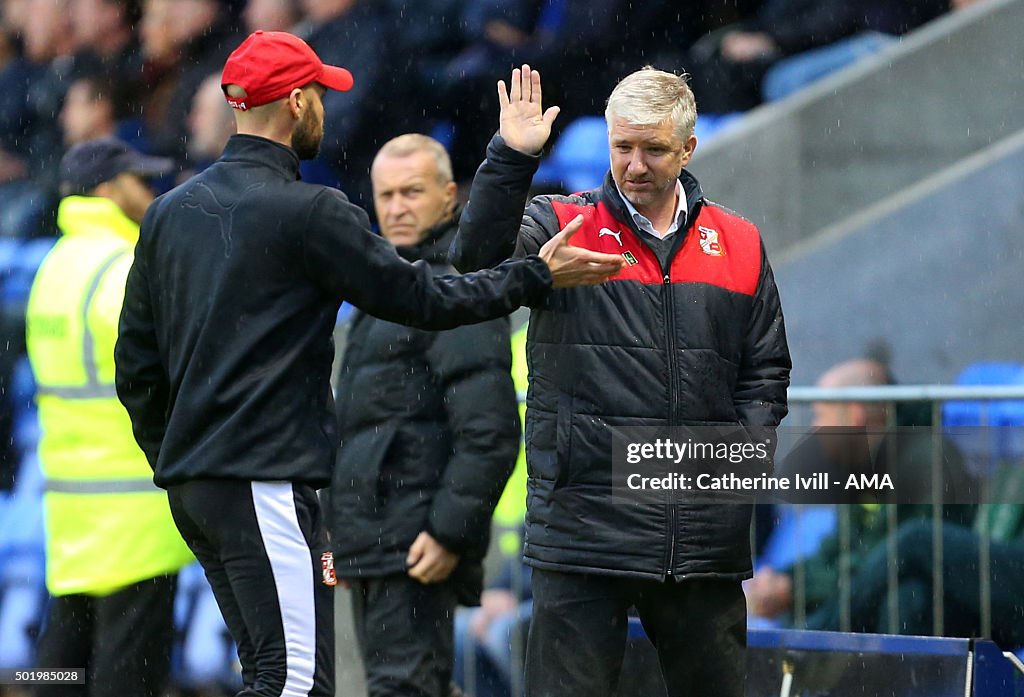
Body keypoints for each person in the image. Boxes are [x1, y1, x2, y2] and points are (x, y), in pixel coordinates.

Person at [113, 31, 623, 697]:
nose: (326, 106)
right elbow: (426, 296)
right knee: (291, 683)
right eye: (320, 93)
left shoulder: (169, 213)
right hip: (261, 478)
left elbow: (137, 368)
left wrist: (180, 452)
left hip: (198, 486)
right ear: (296, 102)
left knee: (271, 673)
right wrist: (533, 274)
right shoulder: (309, 210)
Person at [451, 65, 792, 697]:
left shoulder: (740, 241)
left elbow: (766, 369)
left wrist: (734, 466)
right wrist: (510, 158)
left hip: (700, 536)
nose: (634, 165)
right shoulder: (560, 222)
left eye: (653, 149)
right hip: (583, 529)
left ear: (688, 148)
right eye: (621, 147)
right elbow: (474, 263)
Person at [327, 133, 520, 697]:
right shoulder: (387, 284)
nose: (396, 207)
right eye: (386, 195)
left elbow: (489, 430)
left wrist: (447, 533)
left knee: (404, 688)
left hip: (412, 543)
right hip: (375, 540)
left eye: (412, 191)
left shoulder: (455, 287)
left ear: (450, 197)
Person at [24, 137, 195, 697]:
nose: (150, 194)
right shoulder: (123, 270)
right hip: (135, 518)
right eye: (138, 182)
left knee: (58, 668)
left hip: (73, 513)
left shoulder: (52, 267)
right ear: (107, 189)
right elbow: (170, 374)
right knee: (129, 677)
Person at [748, 358, 975, 624]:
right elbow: (840, 549)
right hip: (880, 594)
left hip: (932, 607)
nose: (815, 429)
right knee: (796, 614)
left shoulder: (923, 462)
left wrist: (797, 588)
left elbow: (883, 563)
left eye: (821, 415)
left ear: (854, 415)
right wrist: (786, 580)